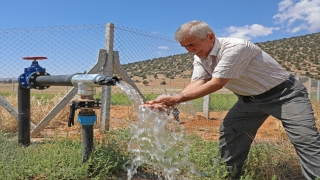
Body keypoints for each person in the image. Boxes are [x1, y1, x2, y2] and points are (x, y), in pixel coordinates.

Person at [144, 20, 320, 179]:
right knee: (231, 131)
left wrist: (176, 99)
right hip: (249, 100)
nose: (190, 51)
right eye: (185, 47)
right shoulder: (201, 57)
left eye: (192, 45)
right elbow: (197, 82)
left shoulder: (236, 47)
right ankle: (227, 175)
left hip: (285, 95)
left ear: (210, 37)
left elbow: (217, 83)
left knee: (305, 138)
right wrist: (168, 101)